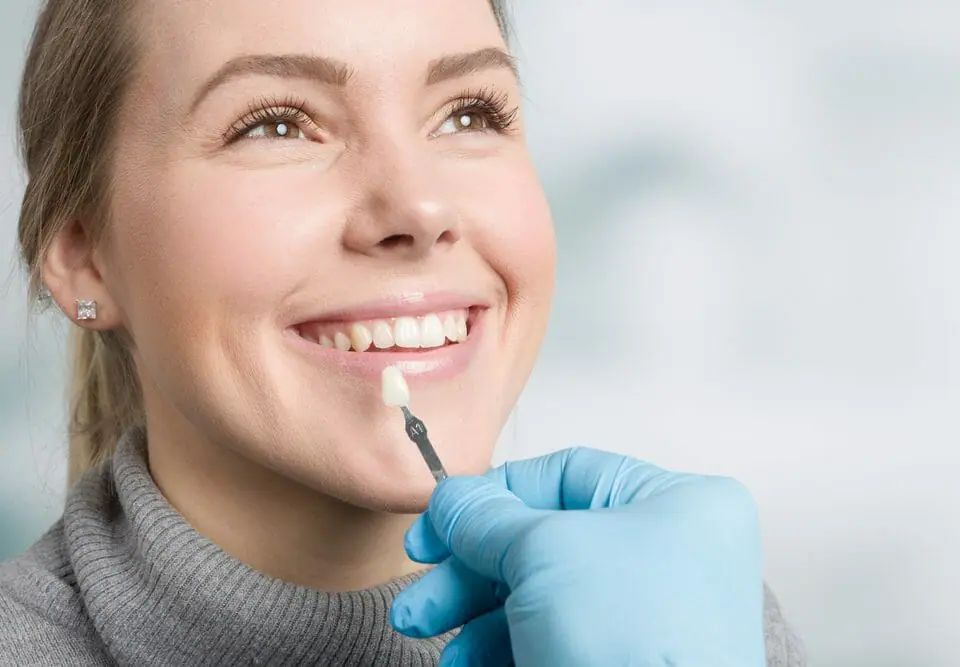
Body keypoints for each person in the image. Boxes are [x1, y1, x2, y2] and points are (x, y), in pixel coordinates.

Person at [0, 0, 804, 665]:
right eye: (277, 125)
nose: (420, 209)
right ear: (82, 258)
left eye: (467, 112)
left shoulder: (693, 629)